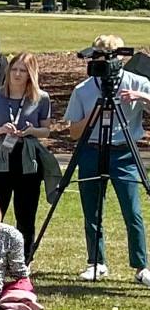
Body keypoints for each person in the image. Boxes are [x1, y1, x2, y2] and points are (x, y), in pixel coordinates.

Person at [63, 34, 150, 284]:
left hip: (124, 152)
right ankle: (96, 261)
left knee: (132, 210)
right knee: (92, 209)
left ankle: (140, 266)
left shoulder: (137, 82)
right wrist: (95, 111)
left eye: (104, 58)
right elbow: (74, 132)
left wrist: (141, 98)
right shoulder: (84, 88)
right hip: (91, 150)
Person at [0, 51, 54, 253]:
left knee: (26, 214)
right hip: (0, 158)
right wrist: (0, 130)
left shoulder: (41, 98)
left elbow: (46, 130)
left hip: (28, 160)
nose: (18, 74)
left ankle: (24, 259)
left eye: (23, 70)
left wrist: (31, 131)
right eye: (14, 69)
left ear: (31, 74)